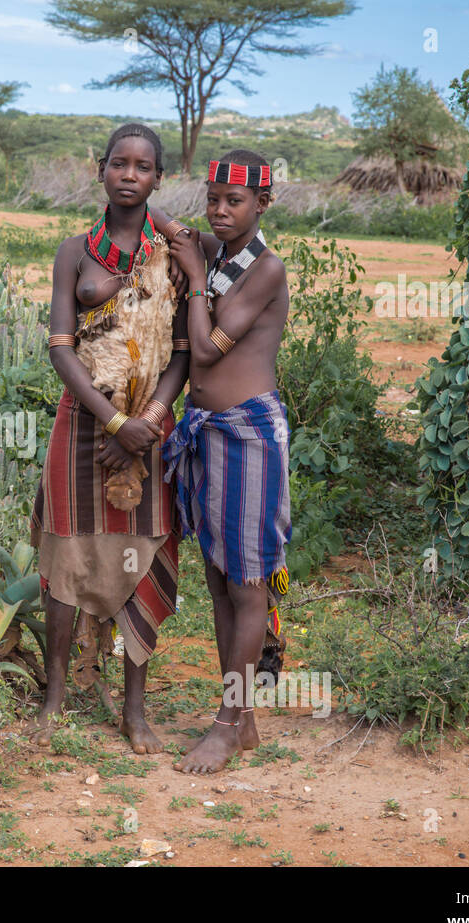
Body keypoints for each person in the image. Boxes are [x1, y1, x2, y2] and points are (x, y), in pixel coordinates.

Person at [30, 123, 193, 755]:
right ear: (99, 170)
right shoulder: (75, 251)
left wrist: (146, 421)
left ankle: (134, 709)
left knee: (141, 553)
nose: (130, 175)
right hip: (83, 422)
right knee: (68, 553)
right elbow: (60, 347)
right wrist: (112, 420)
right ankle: (55, 697)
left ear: (159, 178)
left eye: (143, 166)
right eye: (118, 164)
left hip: (150, 428)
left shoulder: (177, 252)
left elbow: (182, 353)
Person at [162, 149, 292, 774]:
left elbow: (210, 351)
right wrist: (132, 192)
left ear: (262, 205)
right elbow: (151, 217)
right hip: (204, 431)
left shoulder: (263, 269)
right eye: (212, 198)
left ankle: (223, 726)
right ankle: (241, 722)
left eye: (233, 200)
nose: (219, 210)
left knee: (246, 584)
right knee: (219, 579)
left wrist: (191, 276)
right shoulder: (211, 253)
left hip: (248, 434)